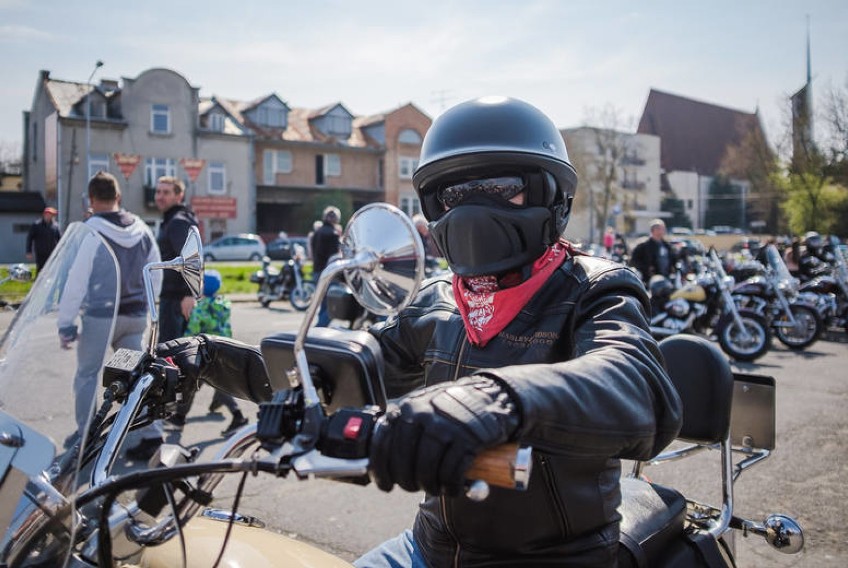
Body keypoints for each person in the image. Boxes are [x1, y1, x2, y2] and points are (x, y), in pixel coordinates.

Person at [156, 96, 682, 567]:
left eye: (502, 188)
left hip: (554, 557)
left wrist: (493, 400)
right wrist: (204, 356)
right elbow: (333, 376)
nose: (475, 208)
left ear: (552, 197)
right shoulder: (438, 300)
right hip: (428, 548)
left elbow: (635, 385)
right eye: (455, 194)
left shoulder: (596, 288)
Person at [57, 171, 161, 439]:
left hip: (101, 319)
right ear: (118, 197)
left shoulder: (91, 231)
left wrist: (65, 323)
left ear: (91, 199)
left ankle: (87, 434)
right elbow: (155, 272)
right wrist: (148, 306)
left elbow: (76, 280)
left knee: (88, 376)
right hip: (135, 318)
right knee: (137, 378)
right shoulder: (142, 229)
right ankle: (150, 433)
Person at [126, 175, 199, 460]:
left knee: (164, 364)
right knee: (172, 362)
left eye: (167, 191)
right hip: (168, 298)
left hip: (173, 300)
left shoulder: (178, 221)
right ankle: (164, 423)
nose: (160, 195)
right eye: (158, 191)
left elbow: (188, 261)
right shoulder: (173, 219)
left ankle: (155, 436)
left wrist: (187, 294)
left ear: (179, 195)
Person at [185, 270, 248, 437]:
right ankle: (216, 404)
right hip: (224, 349)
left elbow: (191, 333)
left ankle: (238, 416)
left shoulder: (200, 310)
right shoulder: (223, 305)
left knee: (196, 382)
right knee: (217, 382)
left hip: (206, 352)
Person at [310, 206, 341, 327]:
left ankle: (318, 329)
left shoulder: (316, 233)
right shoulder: (333, 234)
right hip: (329, 274)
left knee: (323, 303)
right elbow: (335, 257)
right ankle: (319, 328)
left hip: (317, 271)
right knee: (332, 305)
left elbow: (313, 253)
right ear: (336, 219)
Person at [630, 218, 675, 286]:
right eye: (661, 229)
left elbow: (673, 259)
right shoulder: (643, 245)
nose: (663, 231)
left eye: (663, 229)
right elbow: (633, 261)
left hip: (665, 279)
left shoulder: (667, 245)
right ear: (654, 230)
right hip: (648, 281)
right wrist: (646, 268)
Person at [26, 206, 61, 272]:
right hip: (41, 253)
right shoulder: (36, 225)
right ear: (45, 214)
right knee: (40, 270)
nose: (50, 216)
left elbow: (59, 240)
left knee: (52, 270)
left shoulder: (56, 226)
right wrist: (29, 251)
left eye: (52, 215)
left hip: (52, 252)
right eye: (49, 214)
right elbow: (29, 238)